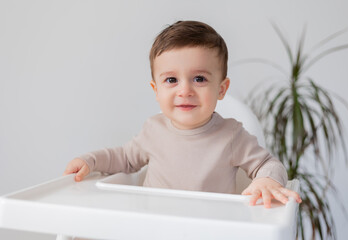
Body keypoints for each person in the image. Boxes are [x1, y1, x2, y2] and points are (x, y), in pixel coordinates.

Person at [64, 20, 301, 208]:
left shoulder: (231, 135)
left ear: (221, 89)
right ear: (156, 90)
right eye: (171, 80)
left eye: (199, 79)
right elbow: (124, 158)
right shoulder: (152, 130)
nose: (184, 90)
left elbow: (268, 163)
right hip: (153, 229)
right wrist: (90, 160)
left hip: (208, 231)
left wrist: (267, 180)